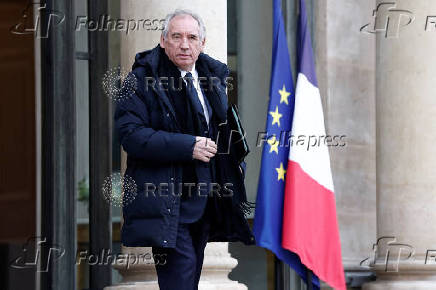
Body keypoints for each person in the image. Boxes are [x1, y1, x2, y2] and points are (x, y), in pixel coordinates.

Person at [114, 9, 255, 290]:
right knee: (179, 281)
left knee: (189, 281)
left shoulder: (212, 78)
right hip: (168, 202)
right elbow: (131, 135)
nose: (184, 44)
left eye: (192, 37)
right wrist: (188, 146)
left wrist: (233, 164)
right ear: (163, 40)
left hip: (206, 201)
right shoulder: (139, 81)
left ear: (202, 43)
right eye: (176, 36)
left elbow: (223, 129)